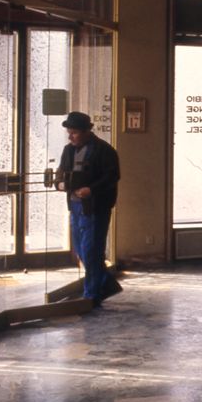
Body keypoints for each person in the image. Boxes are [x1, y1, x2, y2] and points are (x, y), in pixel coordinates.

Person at [56, 111, 120, 304]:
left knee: (91, 251)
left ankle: (91, 296)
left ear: (86, 132)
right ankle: (106, 284)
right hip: (75, 206)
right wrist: (59, 184)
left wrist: (91, 190)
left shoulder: (105, 150)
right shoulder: (68, 150)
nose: (70, 137)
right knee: (81, 250)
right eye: (69, 132)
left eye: (74, 133)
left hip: (96, 207)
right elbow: (60, 173)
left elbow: (112, 177)